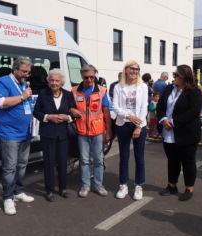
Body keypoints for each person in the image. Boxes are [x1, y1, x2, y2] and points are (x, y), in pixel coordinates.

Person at [0, 56, 35, 215]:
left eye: (28, 72)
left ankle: (18, 192)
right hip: (8, 133)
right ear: (15, 69)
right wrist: (22, 96)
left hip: (25, 133)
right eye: (24, 71)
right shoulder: (3, 81)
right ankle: (8, 198)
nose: (26, 75)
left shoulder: (24, 84)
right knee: (10, 167)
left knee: (22, 164)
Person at [156, 65, 202, 201]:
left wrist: (174, 122)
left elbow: (193, 112)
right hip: (168, 132)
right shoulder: (169, 88)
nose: (173, 77)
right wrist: (164, 119)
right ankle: (171, 185)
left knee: (188, 161)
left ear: (184, 76)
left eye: (176, 75)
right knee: (172, 160)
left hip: (186, 132)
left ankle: (189, 188)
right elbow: (160, 106)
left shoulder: (193, 91)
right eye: (174, 74)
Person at [70, 64, 112, 198]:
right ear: (81, 76)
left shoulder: (102, 91)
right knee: (84, 160)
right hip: (82, 132)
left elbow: (106, 113)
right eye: (86, 77)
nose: (89, 80)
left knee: (99, 160)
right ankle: (85, 185)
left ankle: (99, 185)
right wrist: (71, 110)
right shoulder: (74, 91)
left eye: (92, 77)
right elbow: (69, 107)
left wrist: (109, 132)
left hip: (98, 132)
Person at [33, 68, 75, 202]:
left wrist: (67, 118)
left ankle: (63, 188)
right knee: (49, 163)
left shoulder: (68, 95)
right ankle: (49, 190)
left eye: (57, 80)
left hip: (63, 134)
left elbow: (74, 113)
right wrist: (48, 117)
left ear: (61, 82)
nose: (54, 83)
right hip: (48, 134)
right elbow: (36, 112)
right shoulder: (43, 93)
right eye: (52, 80)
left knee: (63, 162)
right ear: (48, 81)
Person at [112, 60, 149, 200]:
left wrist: (138, 126)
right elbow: (115, 107)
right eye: (132, 68)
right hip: (123, 124)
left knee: (139, 157)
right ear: (126, 70)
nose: (134, 71)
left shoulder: (143, 86)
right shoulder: (118, 87)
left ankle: (139, 185)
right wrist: (128, 115)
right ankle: (124, 184)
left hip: (139, 125)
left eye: (137, 69)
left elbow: (144, 107)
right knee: (124, 156)